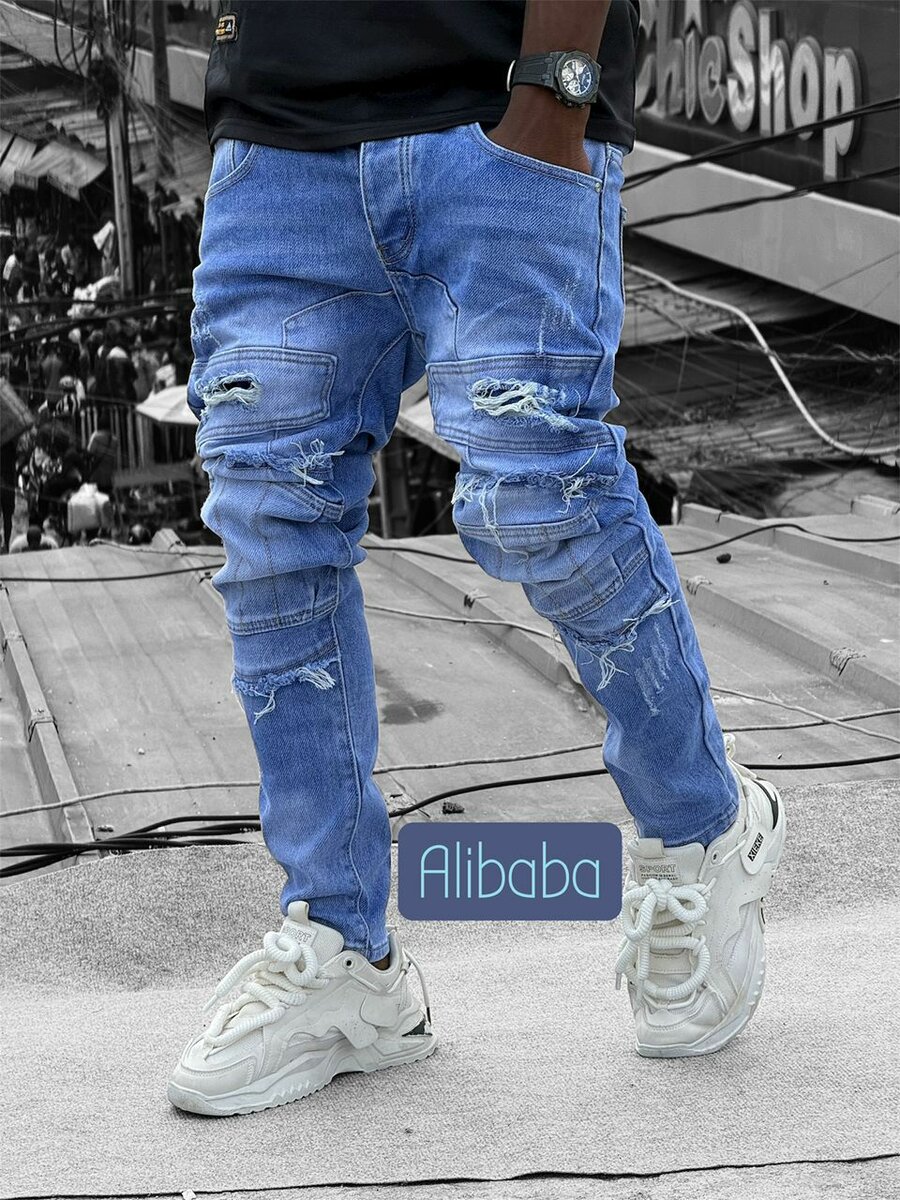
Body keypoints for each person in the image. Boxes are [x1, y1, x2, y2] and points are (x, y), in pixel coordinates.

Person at [169, 0, 786, 1117]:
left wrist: (555, 89)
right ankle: (343, 951)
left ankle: (705, 830)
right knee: (269, 530)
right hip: (280, 136)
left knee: (539, 496)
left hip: (502, 102)